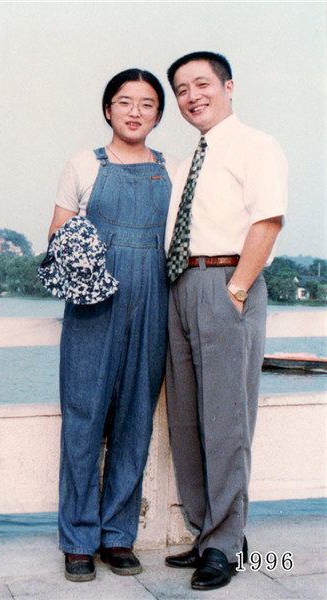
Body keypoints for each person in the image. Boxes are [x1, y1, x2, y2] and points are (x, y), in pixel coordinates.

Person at [47, 68, 179, 582]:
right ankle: (78, 540)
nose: (135, 112)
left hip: (154, 298)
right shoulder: (83, 164)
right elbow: (58, 234)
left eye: (147, 104)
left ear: (158, 116)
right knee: (83, 417)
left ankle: (118, 536)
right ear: (108, 109)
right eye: (125, 102)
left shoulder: (174, 168)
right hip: (93, 300)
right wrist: (93, 274)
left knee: (135, 418)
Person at [164, 52, 287, 591]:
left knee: (226, 421)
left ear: (228, 86)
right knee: (186, 421)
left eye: (201, 84)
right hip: (181, 284)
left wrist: (237, 288)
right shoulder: (190, 156)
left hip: (226, 282)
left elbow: (268, 219)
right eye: (181, 90)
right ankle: (204, 532)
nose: (192, 96)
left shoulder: (256, 144)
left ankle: (226, 544)